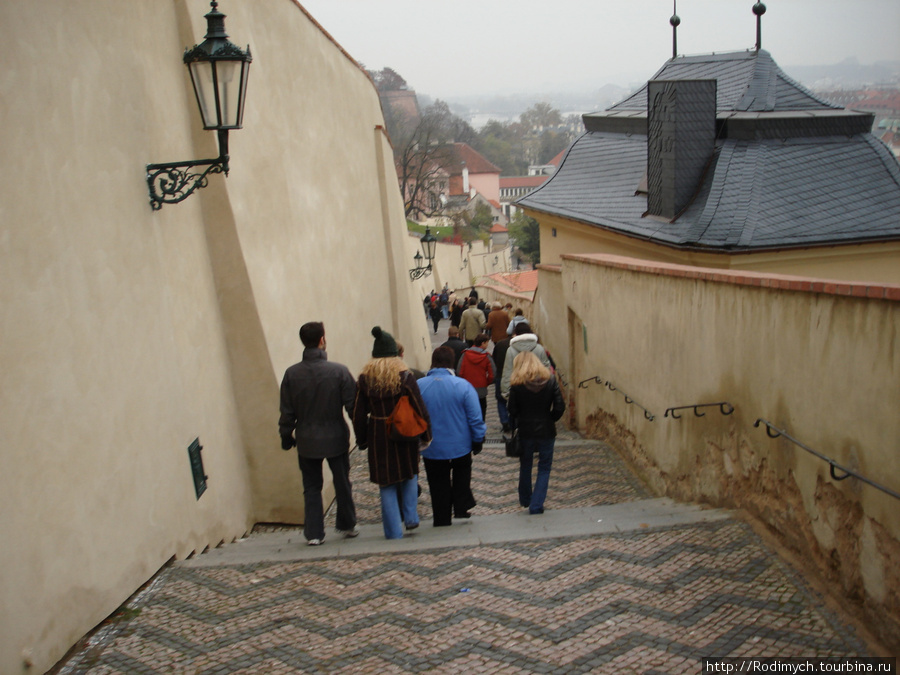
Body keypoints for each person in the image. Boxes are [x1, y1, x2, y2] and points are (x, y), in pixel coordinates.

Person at [279, 322, 359, 546]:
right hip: (335, 434)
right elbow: (353, 407)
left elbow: (287, 411)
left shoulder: (291, 374)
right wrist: (361, 432)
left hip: (306, 437)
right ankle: (347, 524)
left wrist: (286, 435)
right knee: (342, 481)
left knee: (311, 486)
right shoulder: (339, 371)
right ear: (322, 340)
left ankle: (314, 532)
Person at [353, 326, 432, 539]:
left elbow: (358, 414)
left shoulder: (364, 379)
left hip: (378, 433)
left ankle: (393, 531)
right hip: (404, 429)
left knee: (385, 481)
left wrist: (362, 439)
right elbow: (419, 406)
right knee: (409, 471)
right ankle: (411, 517)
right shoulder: (405, 377)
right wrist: (426, 434)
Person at [417, 346, 486, 526]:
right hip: (460, 443)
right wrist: (478, 439)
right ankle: (461, 507)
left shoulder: (419, 386)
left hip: (431, 445)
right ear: (452, 363)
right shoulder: (463, 386)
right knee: (462, 474)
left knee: (437, 481)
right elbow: (475, 417)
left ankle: (441, 517)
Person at [506, 351, 566, 515]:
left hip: (525, 430)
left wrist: (521, 418)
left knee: (525, 464)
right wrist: (550, 418)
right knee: (544, 467)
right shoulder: (550, 380)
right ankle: (536, 504)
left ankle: (526, 499)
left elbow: (511, 409)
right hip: (547, 429)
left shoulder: (517, 384)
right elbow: (560, 406)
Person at [501, 322, 552, 400]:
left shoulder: (510, 351)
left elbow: (508, 371)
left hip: (519, 390)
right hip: (539, 389)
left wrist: (506, 392)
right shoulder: (539, 348)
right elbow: (547, 369)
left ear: (516, 334)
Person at [456, 333, 495, 420]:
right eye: (487, 343)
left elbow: (459, 372)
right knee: (482, 411)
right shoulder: (486, 356)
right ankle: (480, 430)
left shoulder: (465, 355)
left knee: (469, 412)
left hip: (467, 388)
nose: (487, 345)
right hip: (481, 389)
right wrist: (486, 382)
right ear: (482, 343)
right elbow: (493, 374)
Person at [492, 333, 512, 433]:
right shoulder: (517, 346)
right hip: (514, 377)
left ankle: (504, 422)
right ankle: (513, 422)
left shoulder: (500, 344)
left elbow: (494, 360)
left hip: (500, 376)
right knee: (514, 400)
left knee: (501, 400)